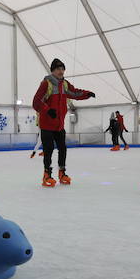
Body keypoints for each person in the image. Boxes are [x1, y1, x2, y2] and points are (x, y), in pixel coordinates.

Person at [32, 58, 95, 187]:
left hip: (59, 125)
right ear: (52, 71)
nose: (61, 71)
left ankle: (62, 172)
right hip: (47, 125)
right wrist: (47, 110)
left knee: (63, 149)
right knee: (48, 150)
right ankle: (47, 175)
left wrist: (87, 93)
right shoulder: (46, 84)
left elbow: (74, 93)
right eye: (58, 69)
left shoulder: (64, 84)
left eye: (62, 69)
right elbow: (36, 102)